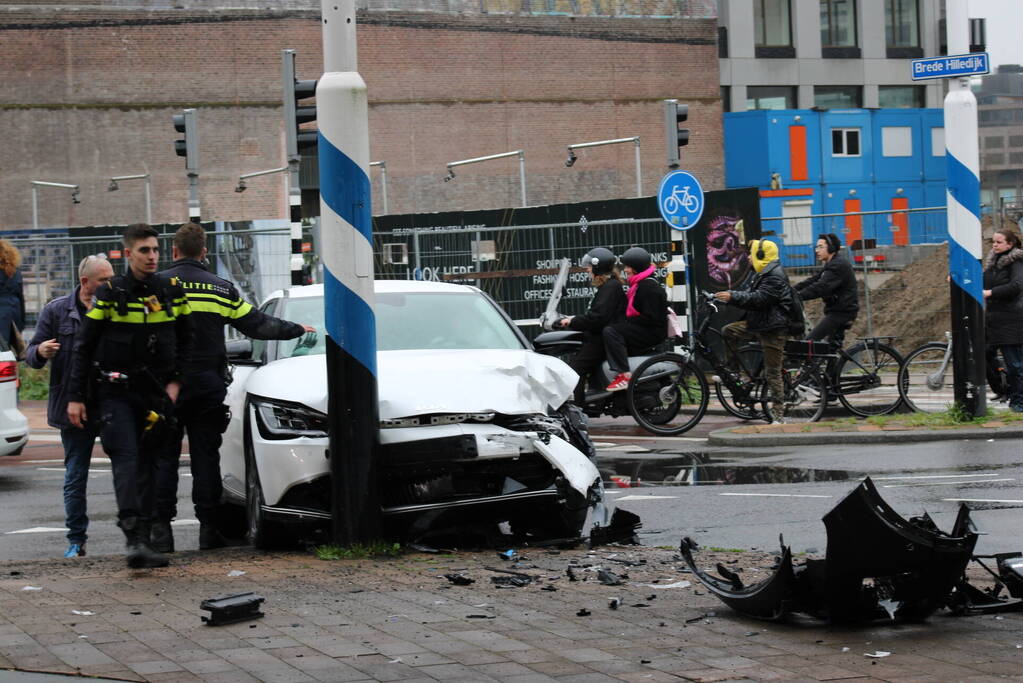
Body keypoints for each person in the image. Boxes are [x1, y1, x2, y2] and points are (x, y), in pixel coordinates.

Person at [151, 223, 311, 552]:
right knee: (206, 458)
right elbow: (257, 324)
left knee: (162, 458)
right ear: (204, 252)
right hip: (207, 386)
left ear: (174, 252)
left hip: (163, 387)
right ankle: (209, 529)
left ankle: (160, 533)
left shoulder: (157, 286)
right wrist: (297, 329)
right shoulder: (220, 288)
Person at [66, 224, 192, 568]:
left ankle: (147, 537)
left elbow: (187, 341)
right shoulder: (110, 293)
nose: (152, 256)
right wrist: (75, 396)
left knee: (150, 464)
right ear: (128, 253)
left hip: (155, 394)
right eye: (144, 251)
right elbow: (84, 345)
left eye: (155, 250)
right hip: (116, 392)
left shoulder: (169, 291)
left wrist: (175, 384)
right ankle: (135, 539)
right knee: (126, 460)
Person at [25, 255, 114, 558]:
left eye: (111, 278)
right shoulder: (57, 311)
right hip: (73, 406)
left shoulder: (116, 307)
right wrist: (41, 350)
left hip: (111, 402)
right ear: (85, 281)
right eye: (104, 279)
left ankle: (140, 533)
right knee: (76, 474)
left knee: (131, 468)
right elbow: (30, 354)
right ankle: (76, 540)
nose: (110, 284)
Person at [714, 239, 794, 424]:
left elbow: (759, 298)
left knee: (772, 372)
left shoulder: (774, 276)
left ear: (761, 256)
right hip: (760, 323)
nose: (749, 257)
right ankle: (734, 372)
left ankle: (778, 415)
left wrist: (732, 297)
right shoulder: (761, 273)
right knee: (729, 331)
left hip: (773, 328)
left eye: (753, 253)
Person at [555, 247, 626, 403]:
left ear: (598, 267)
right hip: (598, 335)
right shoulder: (607, 286)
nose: (587, 269)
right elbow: (596, 314)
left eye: (589, 267)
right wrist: (573, 318)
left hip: (601, 339)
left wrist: (572, 322)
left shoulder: (610, 288)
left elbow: (597, 318)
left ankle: (578, 409)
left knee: (574, 371)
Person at [602, 247, 667, 392]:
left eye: (628, 267)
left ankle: (624, 374)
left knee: (611, 332)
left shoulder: (648, 287)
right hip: (647, 328)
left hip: (652, 332)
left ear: (636, 267)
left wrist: (625, 323)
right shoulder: (639, 284)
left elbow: (650, 317)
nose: (625, 270)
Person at [982, 228, 1023, 412]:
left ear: (1010, 244)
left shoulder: (1017, 262)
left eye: (999, 242)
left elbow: (1016, 285)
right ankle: (1003, 389)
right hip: (994, 319)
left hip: (1011, 320)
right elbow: (982, 281)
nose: (995, 245)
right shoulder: (993, 263)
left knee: (1015, 364)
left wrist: (991, 293)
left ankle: (1018, 402)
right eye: (993, 242)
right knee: (984, 354)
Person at [793, 233, 859, 342]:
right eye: (816, 247)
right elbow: (813, 280)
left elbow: (821, 287)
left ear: (831, 248)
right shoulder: (831, 263)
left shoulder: (837, 265)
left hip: (841, 313)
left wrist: (799, 296)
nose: (816, 250)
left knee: (809, 342)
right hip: (838, 311)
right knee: (829, 348)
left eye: (820, 247)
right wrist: (792, 290)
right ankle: (834, 358)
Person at [0, 238, 26, 354]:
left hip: (2, 312)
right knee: (10, 350)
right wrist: (22, 320)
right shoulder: (16, 271)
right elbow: (21, 296)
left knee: (2, 349)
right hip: (15, 311)